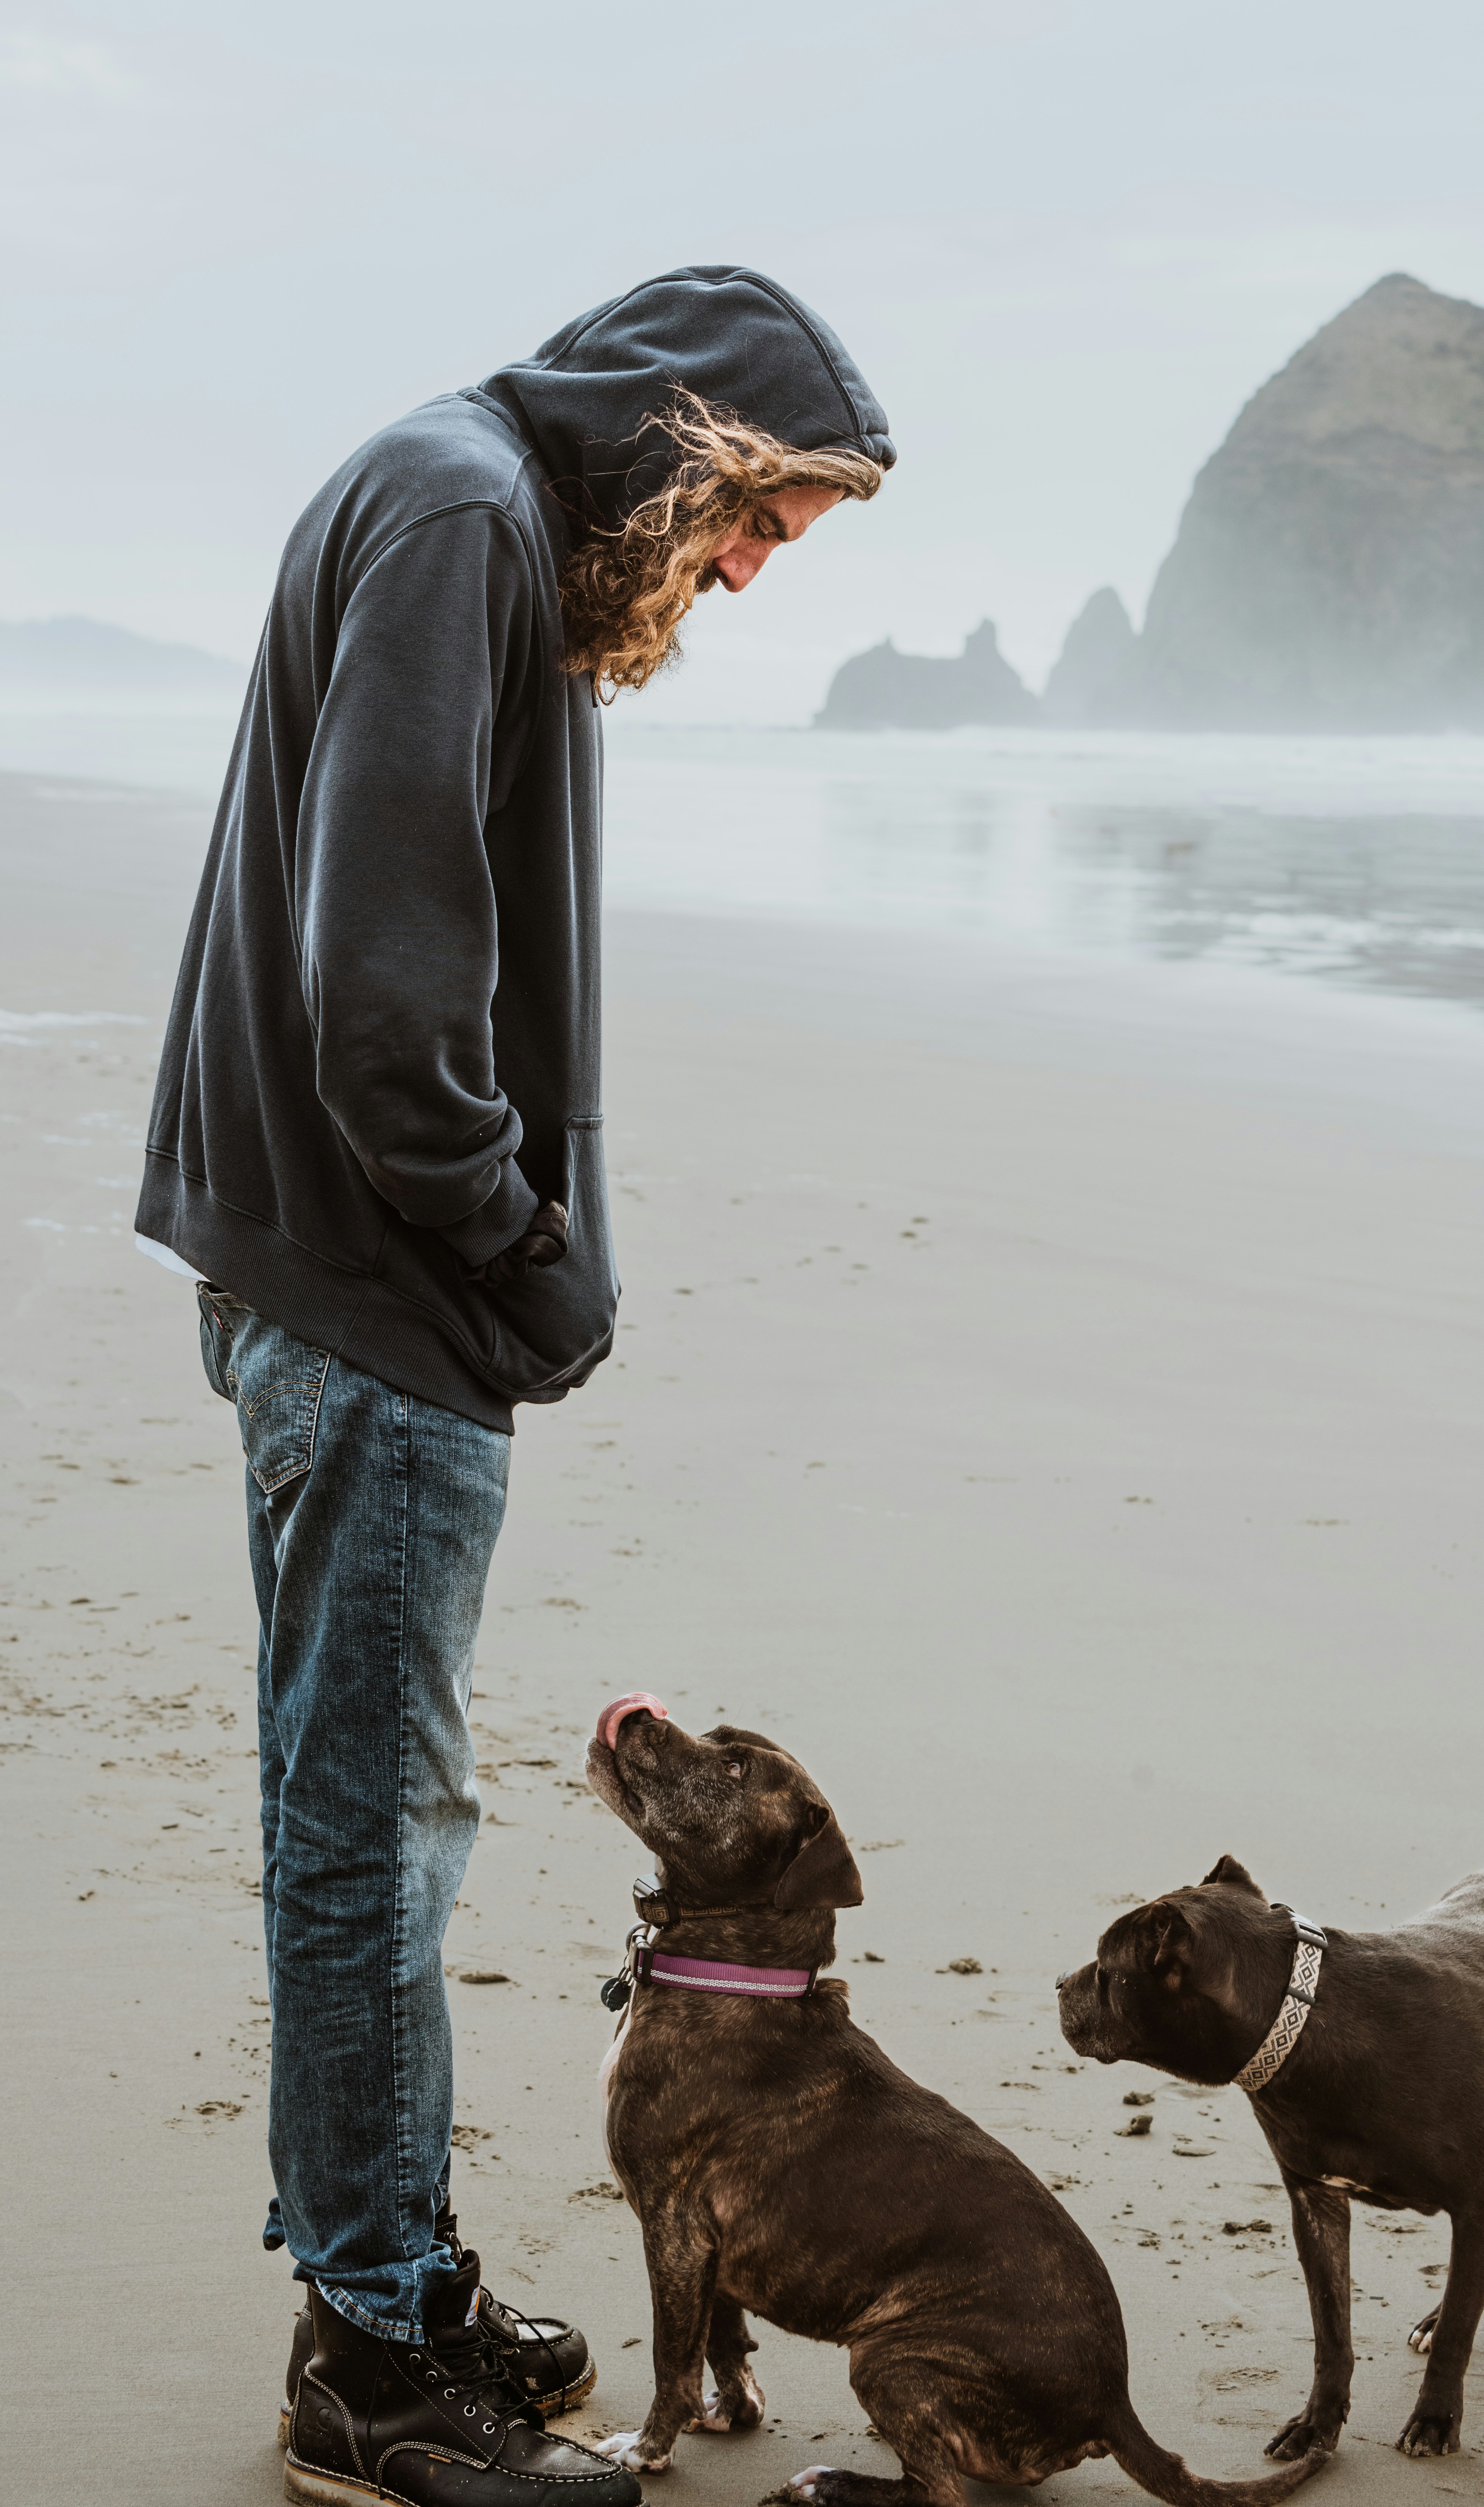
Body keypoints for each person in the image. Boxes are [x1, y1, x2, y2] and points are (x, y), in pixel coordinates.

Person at [135, 265, 894, 2507]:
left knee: (367, 1809)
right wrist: (521, 1243)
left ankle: (396, 2270)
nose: (749, 572)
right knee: (372, 1831)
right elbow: (382, 986)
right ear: (681, 442)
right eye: (759, 520)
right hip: (375, 1306)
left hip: (339, 1283)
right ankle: (370, 2362)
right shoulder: (465, 516)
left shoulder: (453, 503)